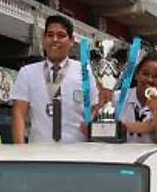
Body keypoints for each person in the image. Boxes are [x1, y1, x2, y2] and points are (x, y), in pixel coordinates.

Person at [10, 15, 98, 143]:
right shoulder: (27, 72)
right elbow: (19, 113)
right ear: (43, 39)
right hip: (39, 154)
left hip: (77, 153)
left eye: (61, 35)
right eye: (50, 35)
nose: (55, 40)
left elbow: (93, 109)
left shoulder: (84, 71)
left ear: (72, 40)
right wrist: (20, 151)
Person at [119, 51, 157, 144]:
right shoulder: (117, 98)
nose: (150, 80)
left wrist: (156, 113)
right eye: (145, 74)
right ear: (136, 75)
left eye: (156, 77)